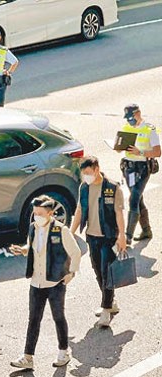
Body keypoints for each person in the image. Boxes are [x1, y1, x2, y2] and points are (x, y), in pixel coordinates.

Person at [8, 195, 81, 370]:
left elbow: (76, 252)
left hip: (55, 282)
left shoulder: (61, 230)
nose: (36, 216)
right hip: (36, 281)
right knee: (33, 319)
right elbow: (32, 246)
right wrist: (24, 250)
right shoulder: (33, 228)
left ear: (49, 213)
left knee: (58, 317)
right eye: (35, 213)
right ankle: (28, 357)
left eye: (40, 213)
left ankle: (64, 352)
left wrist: (71, 273)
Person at [70, 156, 126, 328]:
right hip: (91, 237)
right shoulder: (84, 188)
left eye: (88, 173)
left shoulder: (112, 187)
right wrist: (71, 232)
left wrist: (122, 235)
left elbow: (118, 213)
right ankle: (110, 303)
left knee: (106, 271)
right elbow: (79, 209)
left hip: (108, 237)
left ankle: (105, 309)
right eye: (83, 174)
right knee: (98, 272)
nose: (86, 176)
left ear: (97, 169)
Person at [118, 104, 161, 244]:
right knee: (138, 199)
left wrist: (140, 152)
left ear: (138, 114)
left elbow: (157, 152)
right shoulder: (126, 127)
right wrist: (118, 147)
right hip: (128, 168)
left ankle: (128, 236)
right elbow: (121, 146)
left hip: (142, 168)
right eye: (127, 118)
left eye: (131, 117)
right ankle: (146, 230)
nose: (129, 120)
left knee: (134, 199)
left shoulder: (149, 129)